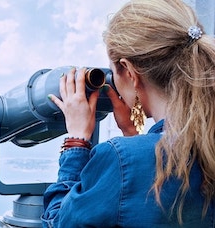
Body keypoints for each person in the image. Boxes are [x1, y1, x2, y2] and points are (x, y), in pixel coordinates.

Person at [42, 0, 215, 227]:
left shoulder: (119, 158)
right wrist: (135, 138)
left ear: (130, 72)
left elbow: (59, 222)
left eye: (114, 73)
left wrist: (77, 141)